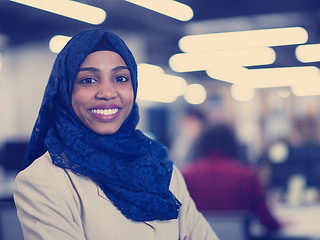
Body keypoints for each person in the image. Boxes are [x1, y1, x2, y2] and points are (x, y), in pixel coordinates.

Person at [13, 28, 218, 240]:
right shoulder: (41, 181)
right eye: (89, 80)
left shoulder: (161, 167)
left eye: (120, 78)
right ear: (65, 90)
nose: (108, 93)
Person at [182, 123, 281, 231]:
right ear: (233, 144)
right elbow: (267, 220)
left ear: (202, 145)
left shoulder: (186, 176)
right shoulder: (247, 176)